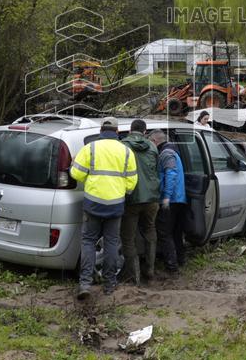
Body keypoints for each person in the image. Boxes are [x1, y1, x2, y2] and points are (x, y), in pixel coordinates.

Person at [70, 116, 137, 299]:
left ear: (101, 131)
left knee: (88, 242)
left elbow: (76, 174)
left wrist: (87, 178)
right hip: (115, 205)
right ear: (116, 132)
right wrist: (120, 190)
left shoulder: (89, 148)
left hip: (93, 204)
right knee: (111, 244)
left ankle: (85, 284)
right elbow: (132, 183)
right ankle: (109, 284)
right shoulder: (126, 152)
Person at [120, 119, 160, 285]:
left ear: (130, 130)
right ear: (145, 132)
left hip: (131, 198)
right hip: (151, 198)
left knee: (128, 238)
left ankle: (133, 276)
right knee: (150, 231)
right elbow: (156, 170)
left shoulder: (122, 146)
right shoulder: (152, 147)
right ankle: (149, 271)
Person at [149, 130, 188, 273]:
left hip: (171, 200)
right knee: (176, 232)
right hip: (179, 198)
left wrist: (166, 197)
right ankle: (181, 259)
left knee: (165, 233)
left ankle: (172, 267)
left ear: (154, 141)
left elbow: (171, 174)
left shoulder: (166, 154)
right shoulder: (173, 150)